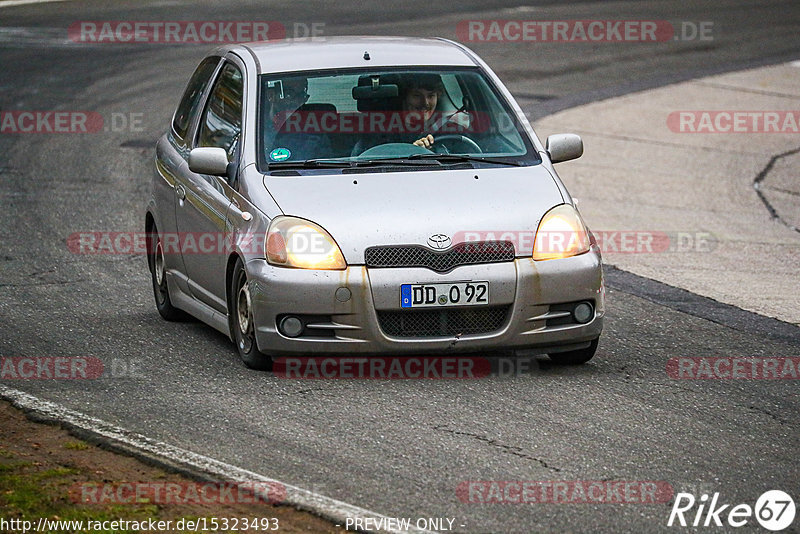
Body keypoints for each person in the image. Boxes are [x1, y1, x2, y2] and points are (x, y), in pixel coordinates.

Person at [262, 77, 332, 162]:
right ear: (271, 96)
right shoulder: (254, 129)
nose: (297, 101)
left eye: (301, 96)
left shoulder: (315, 136)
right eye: (289, 95)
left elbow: (322, 169)